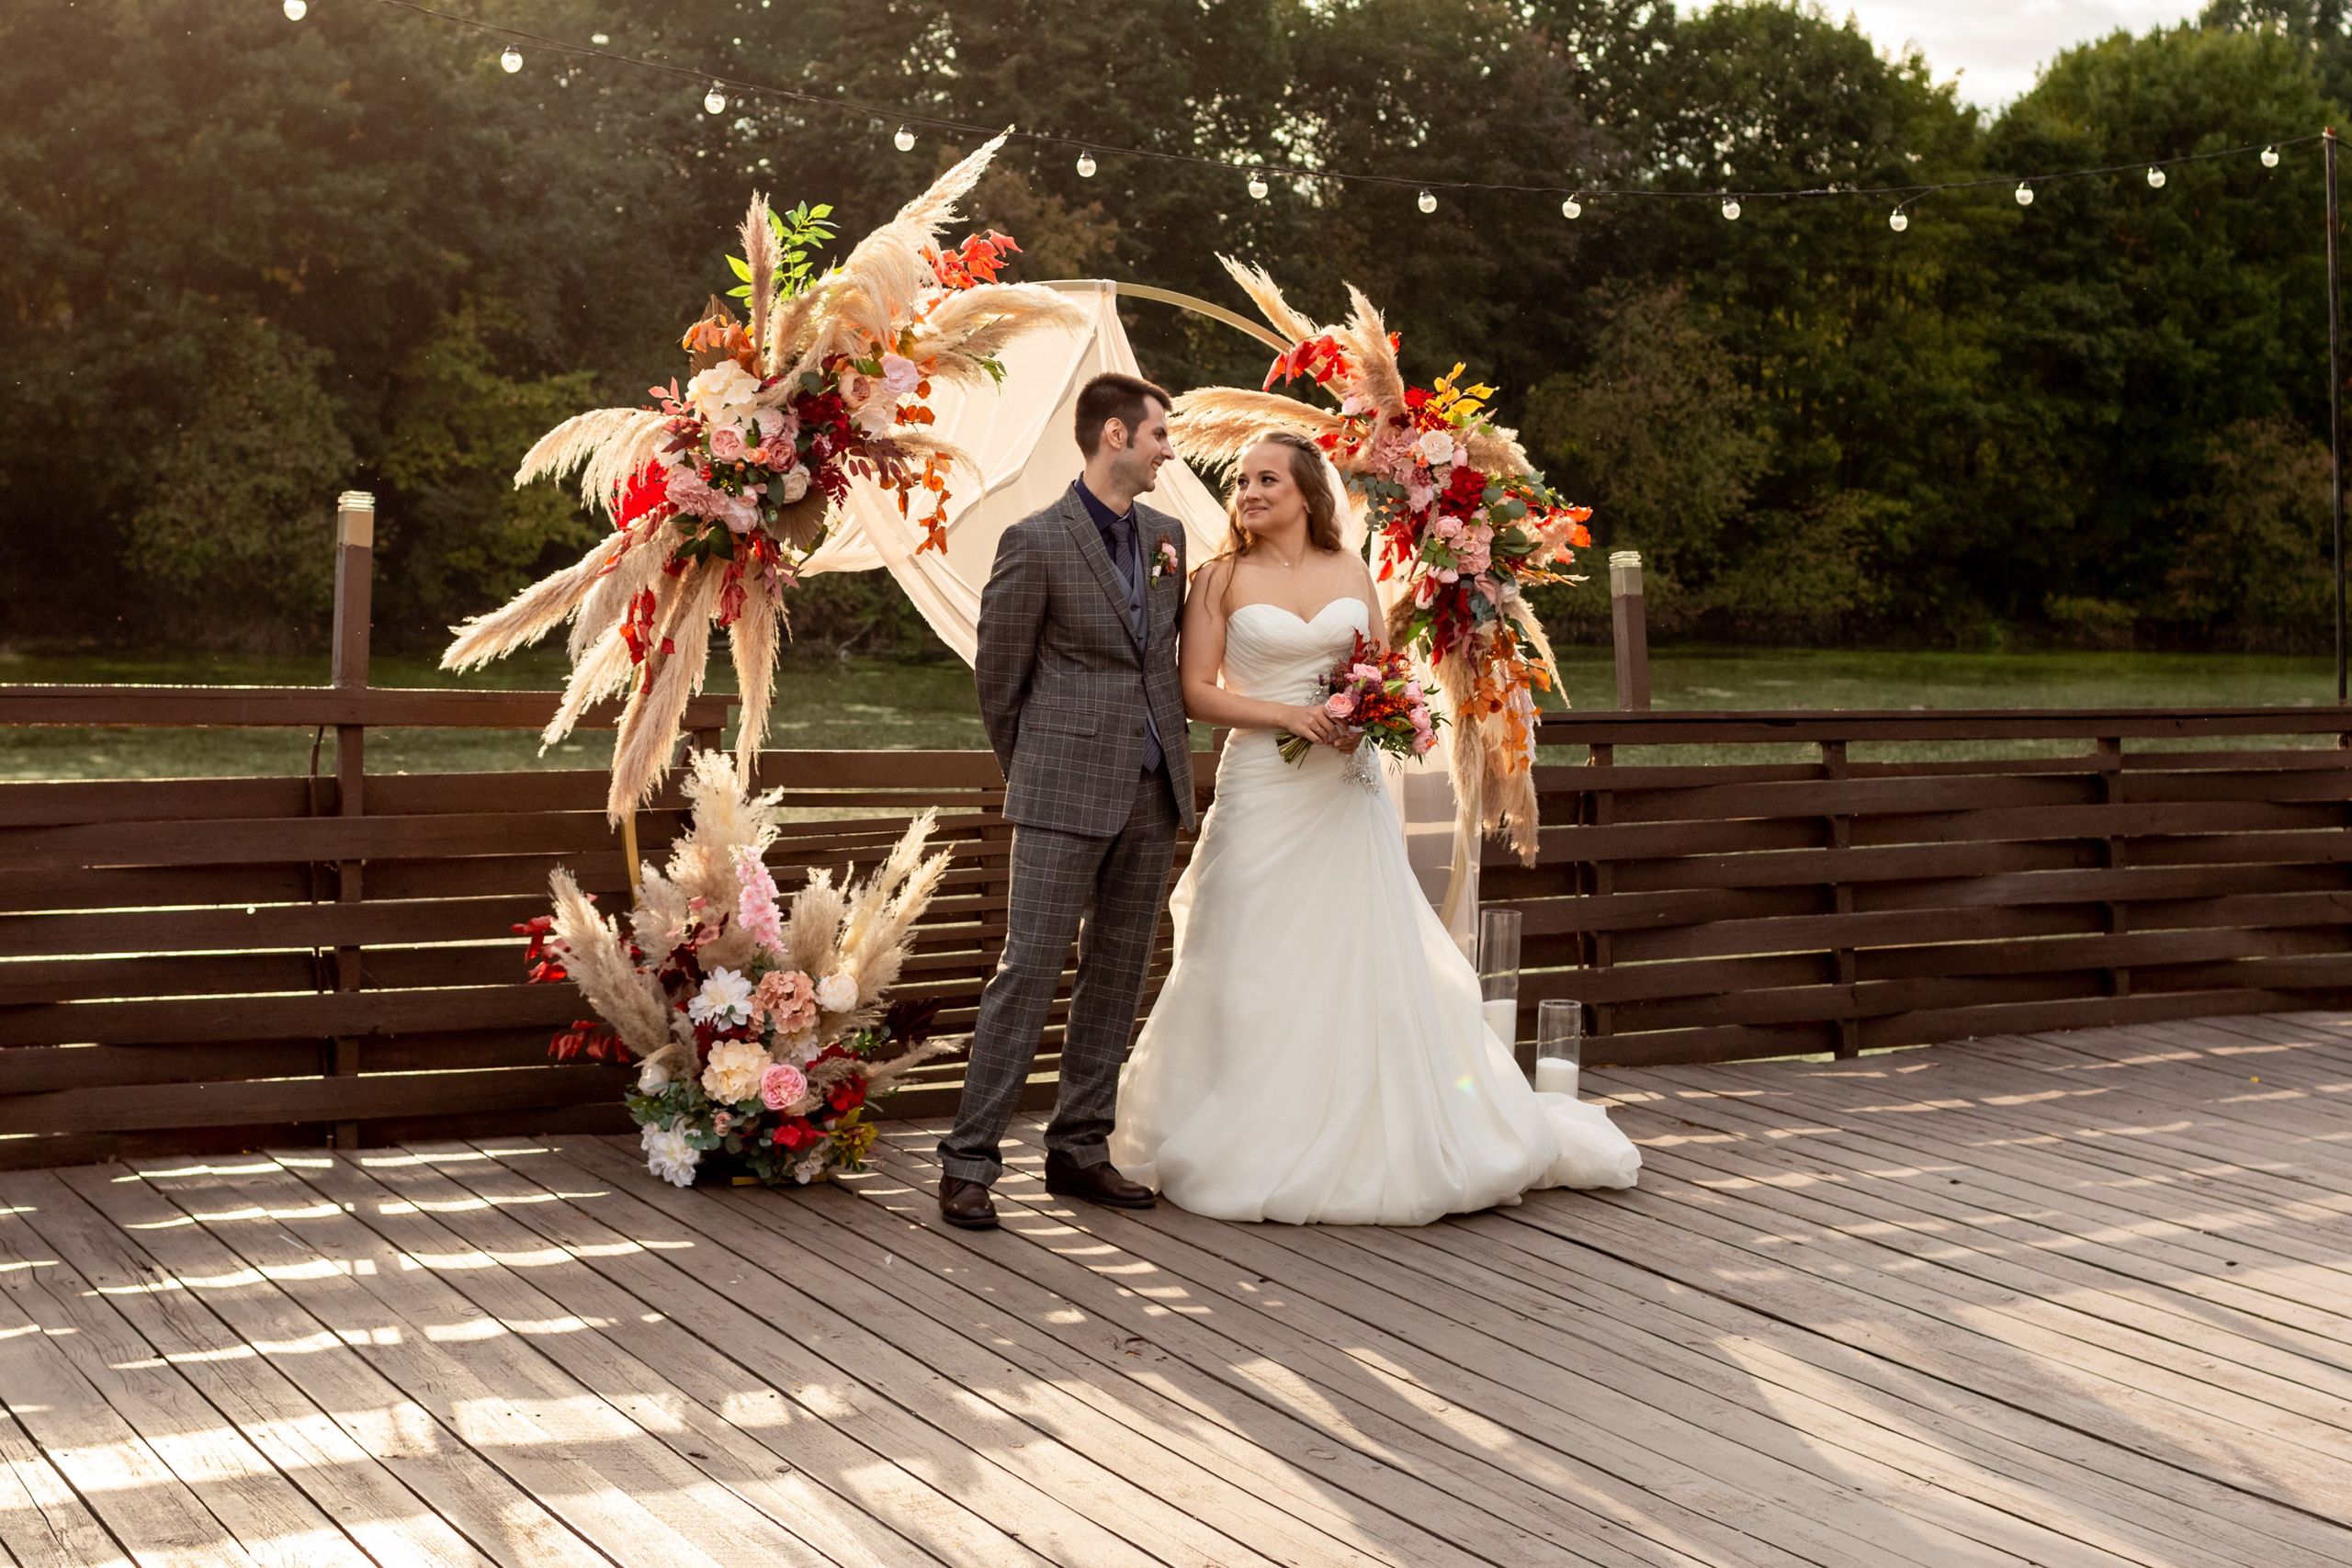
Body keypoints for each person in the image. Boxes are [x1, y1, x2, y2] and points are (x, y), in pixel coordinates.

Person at [1108, 431, 1641, 1225]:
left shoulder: (1350, 570)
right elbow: (1194, 691)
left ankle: (1388, 1124)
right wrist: (1289, 714)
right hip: (1263, 784)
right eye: (1243, 481)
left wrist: (1369, 717)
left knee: (1361, 946)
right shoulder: (1218, 578)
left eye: (1268, 480)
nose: (1250, 492)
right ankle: (1251, 1122)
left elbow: (1382, 672)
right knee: (1252, 949)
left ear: (1306, 493)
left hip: (1346, 787)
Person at [937, 373, 1194, 1230]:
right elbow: (997, 680)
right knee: (1029, 970)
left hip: (1153, 790)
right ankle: (968, 1161)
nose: (1169, 449)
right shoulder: (1034, 540)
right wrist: (1039, 769)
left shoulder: (1168, 537)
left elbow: (1159, 660)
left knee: (1118, 973)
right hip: (1058, 789)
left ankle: (1079, 1146)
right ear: (1116, 434)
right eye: (1160, 433)